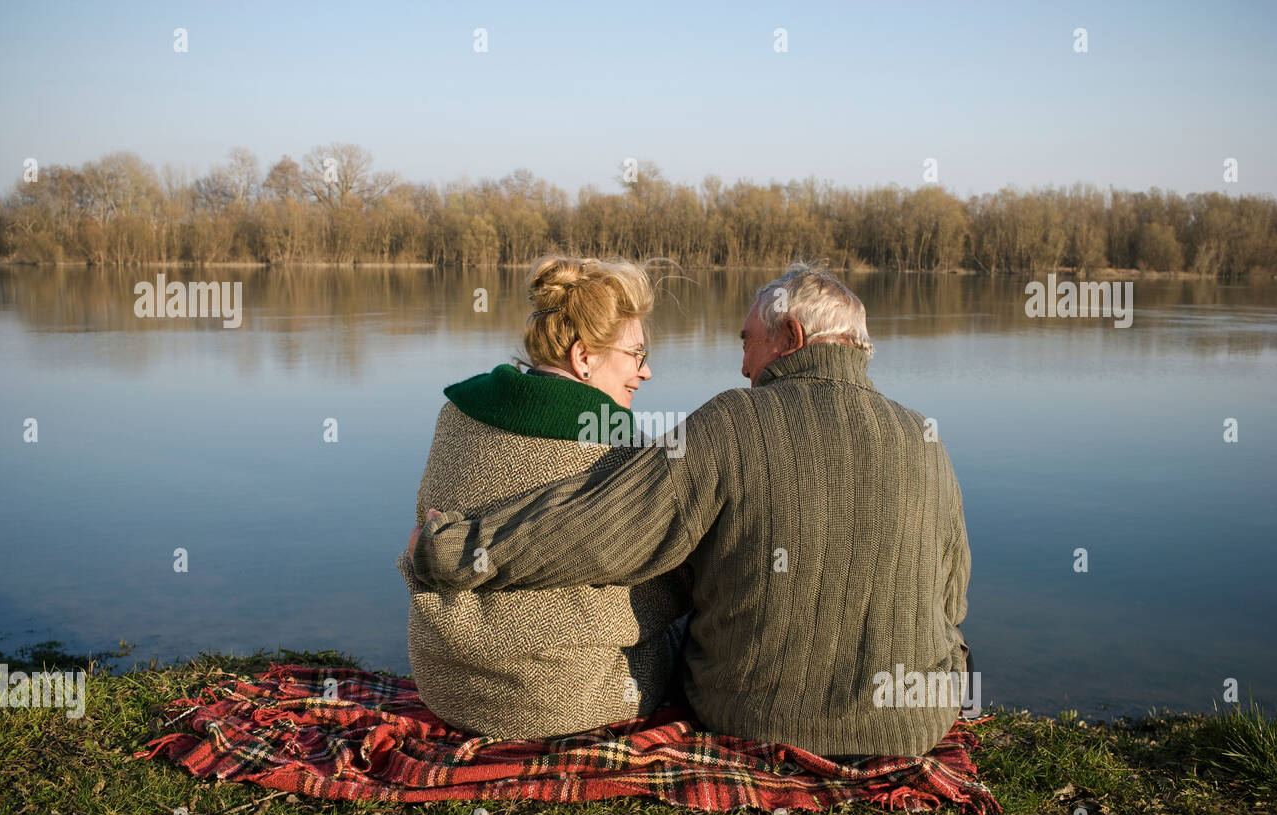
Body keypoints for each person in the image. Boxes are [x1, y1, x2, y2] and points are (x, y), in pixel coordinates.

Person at [408, 263, 972, 758]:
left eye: (747, 340)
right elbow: (953, 596)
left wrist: (451, 550)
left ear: (792, 337)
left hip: (751, 718)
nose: (744, 366)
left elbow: (604, 531)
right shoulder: (926, 436)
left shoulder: (732, 421)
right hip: (912, 724)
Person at [395, 254, 691, 740]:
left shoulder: (458, 411)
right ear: (584, 358)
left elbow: (424, 527)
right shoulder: (613, 439)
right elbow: (656, 587)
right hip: (562, 699)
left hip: (445, 683)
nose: (646, 372)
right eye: (636, 355)